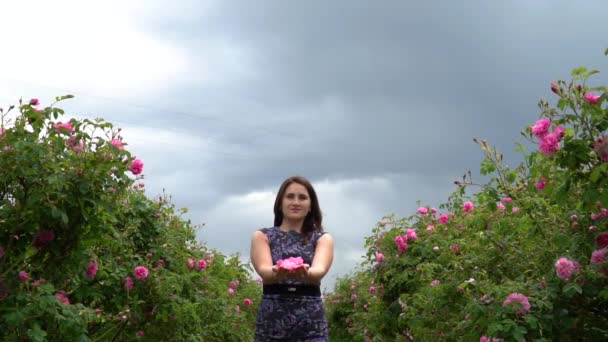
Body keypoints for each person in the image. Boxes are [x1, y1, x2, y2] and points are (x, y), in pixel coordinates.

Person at [250, 176, 334, 341]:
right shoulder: (262, 236)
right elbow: (264, 270)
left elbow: (319, 270)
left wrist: (305, 272)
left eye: (302, 197)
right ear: (280, 203)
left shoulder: (322, 238)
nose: (296, 202)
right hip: (271, 321)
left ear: (310, 206)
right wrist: (277, 272)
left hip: (311, 323)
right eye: (290, 196)